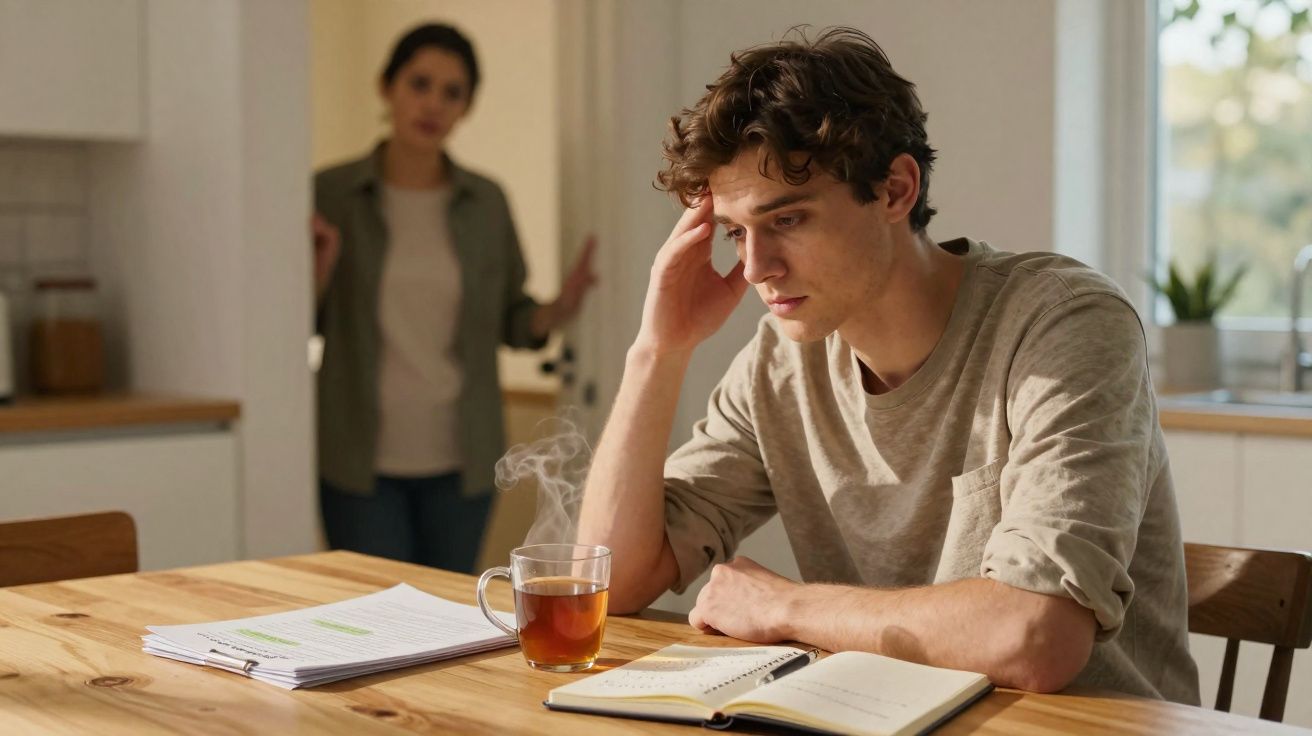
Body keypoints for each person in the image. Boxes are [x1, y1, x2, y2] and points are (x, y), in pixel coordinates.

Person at [577, 27, 1200, 703]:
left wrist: (786, 609)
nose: (755, 267)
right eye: (736, 233)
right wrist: (657, 351)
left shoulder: (1064, 325)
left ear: (896, 189)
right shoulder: (780, 366)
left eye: (786, 220)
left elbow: (1036, 636)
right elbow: (610, 584)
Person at [313, 23, 596, 573]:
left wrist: (559, 309)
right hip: (356, 459)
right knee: (374, 617)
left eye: (452, 92)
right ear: (386, 87)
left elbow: (510, 319)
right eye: (419, 83)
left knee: (446, 617)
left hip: (462, 461)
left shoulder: (485, 202)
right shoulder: (331, 193)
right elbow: (293, 319)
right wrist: (318, 269)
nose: (433, 104)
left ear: (466, 107)